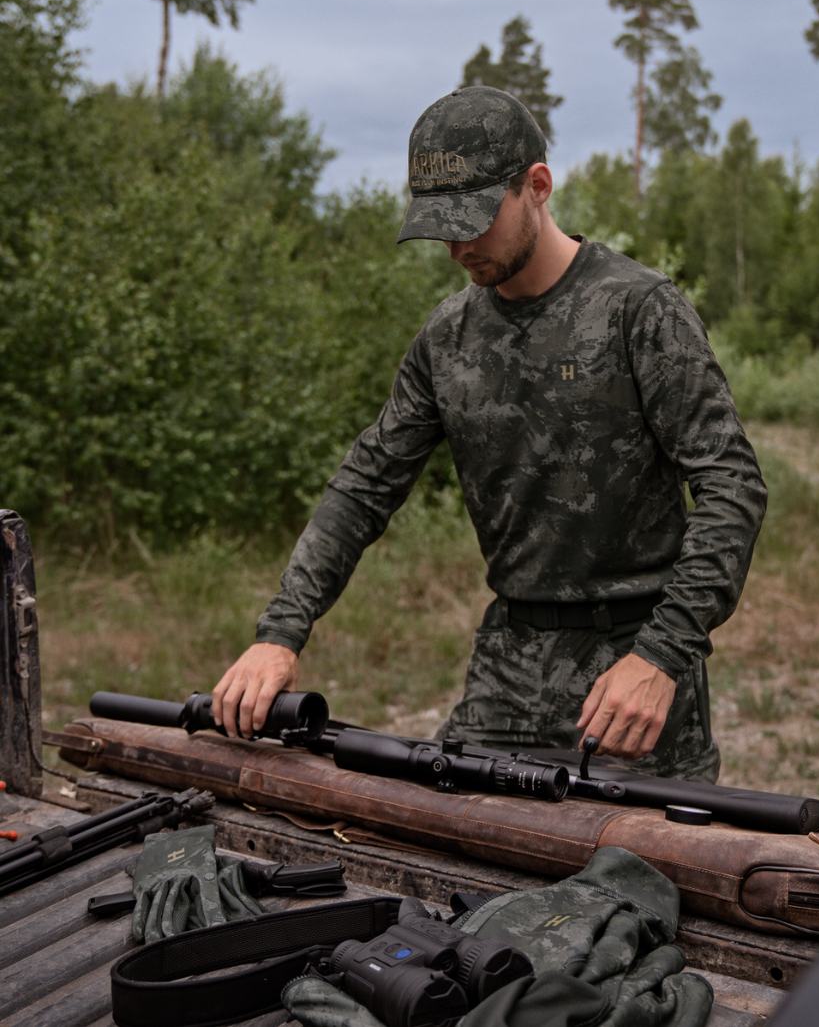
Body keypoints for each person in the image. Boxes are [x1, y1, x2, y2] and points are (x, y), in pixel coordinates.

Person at [212, 86, 767, 780]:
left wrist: (660, 656)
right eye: (440, 226)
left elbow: (731, 486)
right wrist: (280, 634)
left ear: (536, 186)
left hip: (633, 668)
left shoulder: (638, 312)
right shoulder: (448, 338)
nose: (457, 246)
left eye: (474, 220)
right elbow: (363, 487)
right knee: (442, 848)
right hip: (508, 665)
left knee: (627, 875)